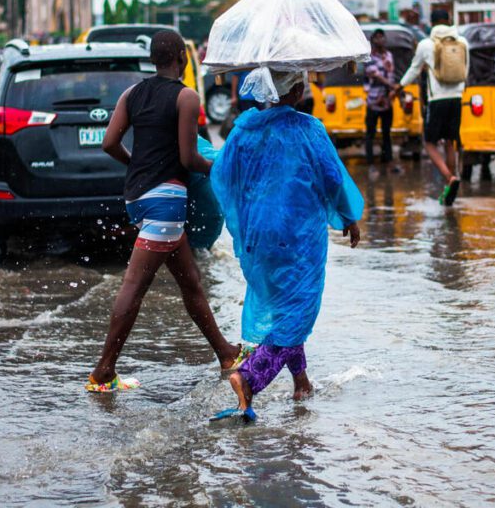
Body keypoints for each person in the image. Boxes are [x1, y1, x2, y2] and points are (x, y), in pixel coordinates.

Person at [86, 30, 244, 392]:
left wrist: (135, 165)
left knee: (190, 281)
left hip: (137, 198)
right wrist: (219, 169)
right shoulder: (185, 97)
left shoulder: (131, 93)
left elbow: (110, 143)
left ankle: (224, 352)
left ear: (154, 59)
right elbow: (188, 158)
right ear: (181, 59)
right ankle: (103, 370)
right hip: (166, 202)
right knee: (134, 285)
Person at [211, 69, 363, 420]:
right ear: (296, 91)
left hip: (257, 236)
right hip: (297, 237)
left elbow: (223, 177)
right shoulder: (309, 129)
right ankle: (248, 379)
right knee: (299, 310)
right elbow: (333, 179)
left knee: (285, 308)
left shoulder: (242, 132)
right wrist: (349, 218)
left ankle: (301, 381)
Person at [398, 9, 468, 205]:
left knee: (429, 143)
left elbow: (414, 69)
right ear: (448, 20)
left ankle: (449, 177)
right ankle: (451, 184)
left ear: (433, 23)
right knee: (449, 141)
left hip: (437, 100)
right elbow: (466, 70)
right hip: (456, 98)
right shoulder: (462, 42)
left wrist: (399, 86)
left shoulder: (426, 44)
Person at [363, 29, 397, 165]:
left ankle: (387, 159)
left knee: (386, 132)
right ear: (372, 41)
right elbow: (376, 76)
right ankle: (370, 161)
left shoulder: (389, 55)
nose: (380, 40)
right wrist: (393, 87)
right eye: (376, 37)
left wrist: (392, 91)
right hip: (373, 101)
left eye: (382, 37)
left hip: (387, 101)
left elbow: (391, 74)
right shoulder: (369, 58)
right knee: (370, 133)